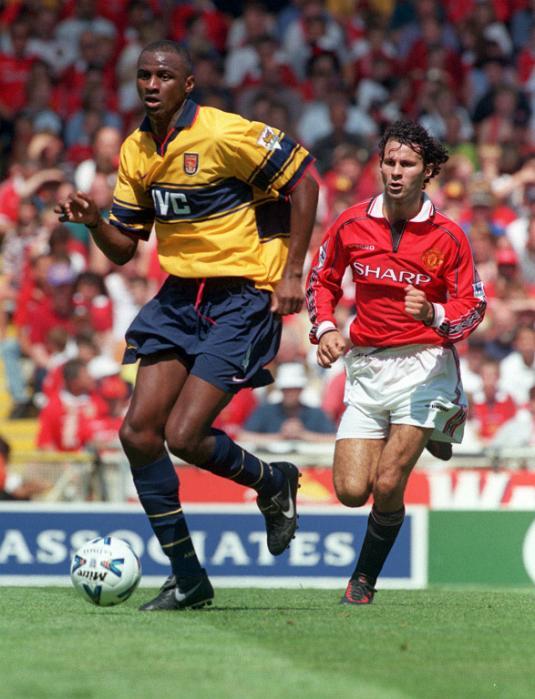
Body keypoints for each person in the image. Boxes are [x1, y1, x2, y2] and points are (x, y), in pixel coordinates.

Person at [56, 40, 318, 611]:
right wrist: (96, 221)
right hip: (179, 298)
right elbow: (125, 249)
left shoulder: (225, 133)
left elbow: (305, 181)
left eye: (165, 75)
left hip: (242, 296)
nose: (152, 84)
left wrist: (293, 271)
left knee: (184, 436)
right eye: (144, 74)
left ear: (188, 84)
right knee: (138, 434)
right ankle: (188, 579)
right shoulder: (136, 149)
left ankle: (273, 482)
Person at [306, 120, 486, 605]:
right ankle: (440, 429)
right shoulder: (350, 223)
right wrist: (324, 329)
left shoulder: (449, 235)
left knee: (388, 482)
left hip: (424, 365)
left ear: (427, 172)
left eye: (407, 164)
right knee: (349, 490)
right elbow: (322, 280)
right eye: (389, 162)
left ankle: (362, 579)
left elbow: (474, 306)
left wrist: (435, 313)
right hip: (365, 367)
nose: (395, 172)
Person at [238, 361, 336, 444]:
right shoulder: (265, 411)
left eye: (294, 389)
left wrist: (303, 435)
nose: (290, 393)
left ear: (301, 389)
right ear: (281, 390)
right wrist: (280, 437)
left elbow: (333, 439)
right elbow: (243, 437)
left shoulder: (316, 414)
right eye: (286, 389)